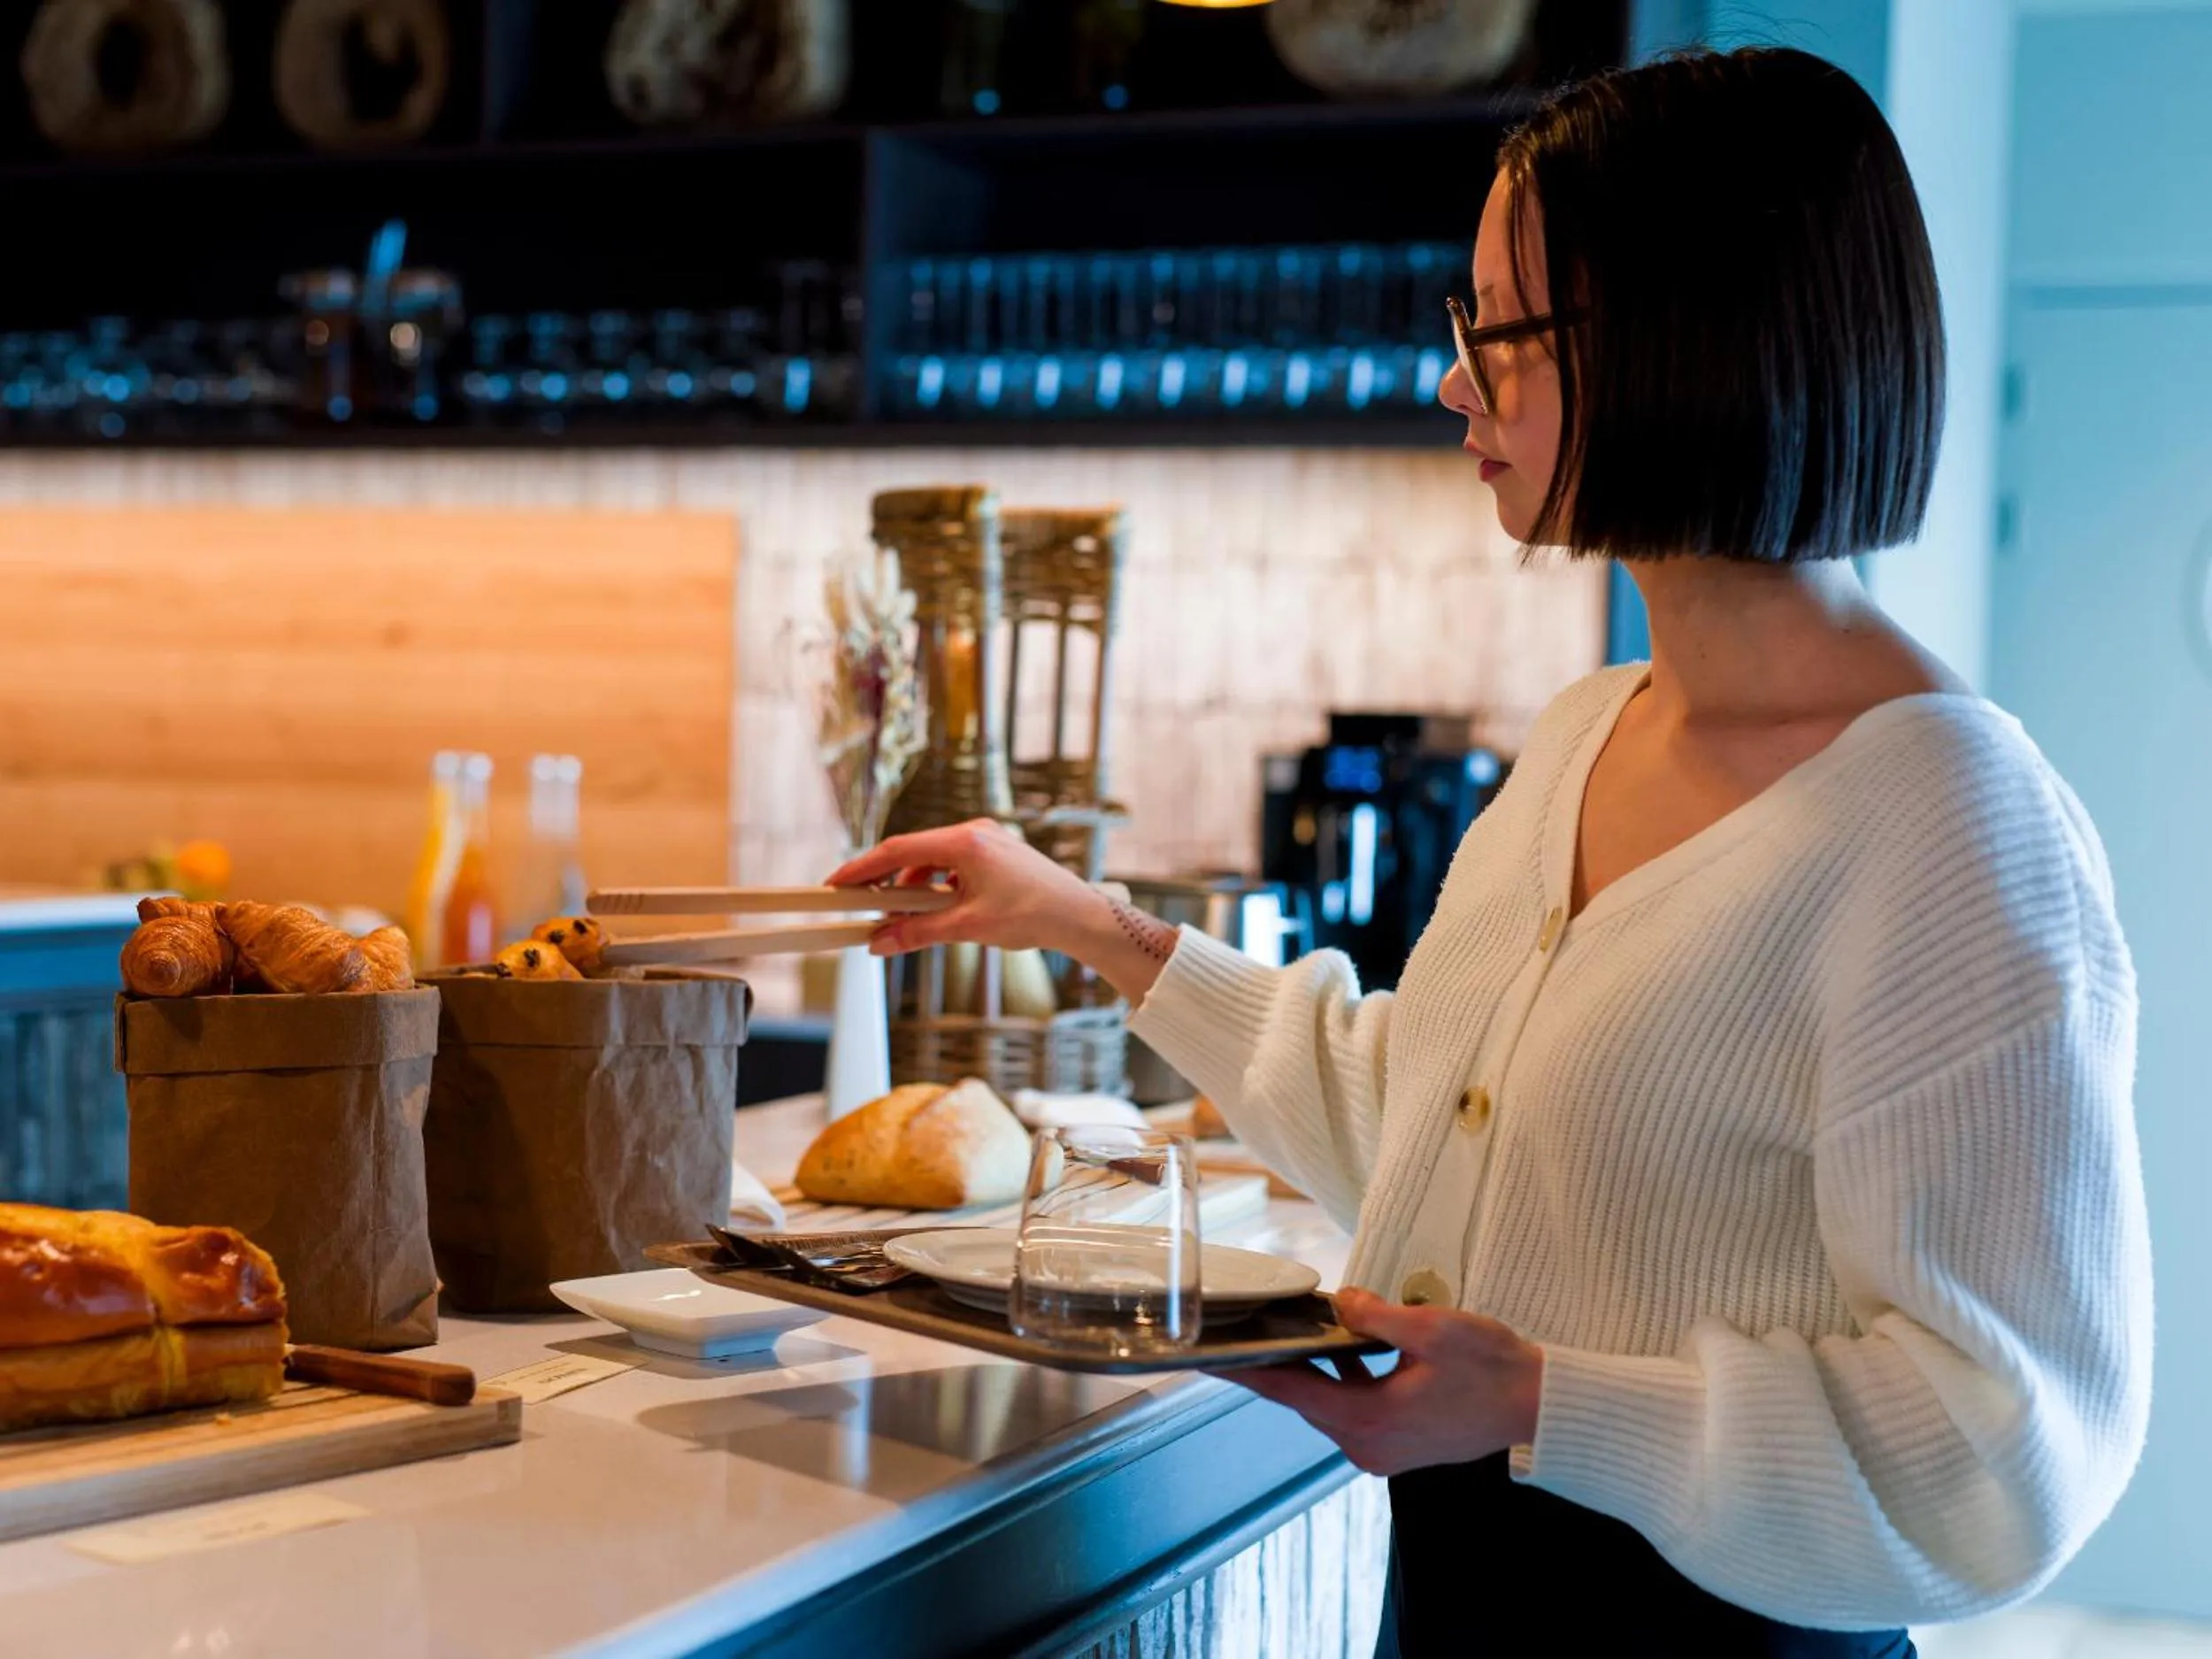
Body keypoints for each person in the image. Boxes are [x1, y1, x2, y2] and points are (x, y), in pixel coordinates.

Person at [830, 46, 2152, 1658]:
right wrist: (1085, 919)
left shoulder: (1955, 833)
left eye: (1496, 333)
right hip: (1460, 1607)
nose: (1456, 382)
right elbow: (1433, 1126)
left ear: (1681, 331)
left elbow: (2009, 1450)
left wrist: (1545, 1399)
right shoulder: (1595, 728)